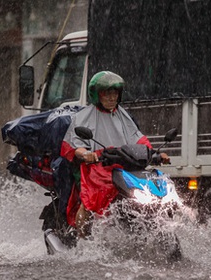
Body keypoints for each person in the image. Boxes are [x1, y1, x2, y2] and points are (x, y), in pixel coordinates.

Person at [61, 71, 169, 237]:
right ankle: (82, 239)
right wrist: (86, 154)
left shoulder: (122, 115)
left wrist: (156, 153)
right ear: (97, 95)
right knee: (90, 199)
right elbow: (75, 145)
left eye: (115, 93)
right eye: (107, 94)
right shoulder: (84, 116)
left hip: (122, 164)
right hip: (96, 167)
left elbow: (138, 138)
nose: (112, 98)